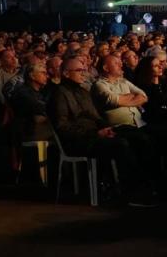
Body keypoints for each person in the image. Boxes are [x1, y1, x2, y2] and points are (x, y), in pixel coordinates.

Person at [48, 57, 156, 205]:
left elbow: (96, 118)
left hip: (95, 134)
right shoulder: (59, 94)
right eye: (79, 70)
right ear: (66, 74)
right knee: (121, 144)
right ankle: (131, 192)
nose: (84, 73)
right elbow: (62, 127)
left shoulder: (83, 91)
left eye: (84, 70)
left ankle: (149, 184)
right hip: (79, 140)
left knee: (138, 136)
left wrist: (106, 128)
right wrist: (96, 133)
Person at [92, 55, 148, 128]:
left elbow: (144, 96)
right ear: (105, 68)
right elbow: (112, 99)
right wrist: (132, 97)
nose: (121, 65)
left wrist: (122, 101)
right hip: (120, 128)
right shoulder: (99, 85)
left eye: (120, 62)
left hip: (140, 123)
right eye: (116, 63)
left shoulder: (123, 81)